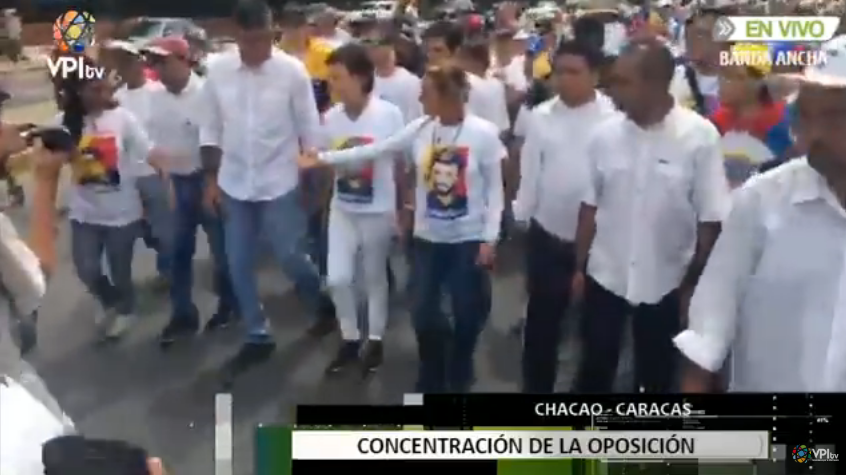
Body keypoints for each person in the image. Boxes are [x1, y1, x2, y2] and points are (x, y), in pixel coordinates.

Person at [297, 63, 505, 393]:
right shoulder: (421, 128)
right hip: (427, 239)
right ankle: (432, 371)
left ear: (447, 96)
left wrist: (490, 238)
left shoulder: (483, 134)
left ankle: (462, 361)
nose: (420, 97)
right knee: (423, 312)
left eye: (427, 92)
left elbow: (495, 190)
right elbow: (377, 148)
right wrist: (323, 158)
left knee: (467, 312)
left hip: (467, 238)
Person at [572, 39, 730, 393]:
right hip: (606, 276)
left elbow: (711, 218)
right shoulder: (604, 135)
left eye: (623, 82)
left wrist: (693, 288)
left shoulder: (699, 137)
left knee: (656, 376)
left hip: (667, 283)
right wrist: (579, 269)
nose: (612, 91)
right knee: (594, 369)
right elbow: (589, 206)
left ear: (657, 83)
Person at [675, 69, 846, 392]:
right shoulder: (762, 199)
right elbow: (712, 319)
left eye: (835, 117)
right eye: (806, 117)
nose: (815, 133)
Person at [199, 0, 335, 379]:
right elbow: (210, 129)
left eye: (265, 38)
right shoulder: (217, 71)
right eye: (250, 39)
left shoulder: (291, 72)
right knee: (236, 261)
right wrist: (211, 181)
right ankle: (258, 334)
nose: (259, 47)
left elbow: (309, 127)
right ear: (235, 33)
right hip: (234, 182)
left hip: (281, 180)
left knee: (291, 255)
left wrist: (316, 178)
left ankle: (320, 301)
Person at [514, 40, 616, 393]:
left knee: (598, 336)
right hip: (548, 236)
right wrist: (522, 217)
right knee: (542, 329)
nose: (564, 80)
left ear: (595, 75)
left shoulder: (614, 119)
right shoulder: (541, 116)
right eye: (559, 72)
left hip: (600, 244)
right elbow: (530, 172)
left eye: (574, 72)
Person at [52, 57, 167, 342]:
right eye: (95, 89)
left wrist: (165, 173)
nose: (105, 94)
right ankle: (110, 300)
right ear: (79, 92)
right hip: (84, 213)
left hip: (122, 213)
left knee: (120, 271)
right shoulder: (61, 124)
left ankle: (126, 309)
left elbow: (146, 149)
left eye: (105, 88)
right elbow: (45, 161)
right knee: (87, 268)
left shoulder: (122, 118)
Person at [142, 36, 238, 347]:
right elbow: (152, 145)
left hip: (209, 181)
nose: (157, 69)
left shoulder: (207, 95)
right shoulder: (154, 98)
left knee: (222, 253)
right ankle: (183, 315)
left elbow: (221, 143)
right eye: (154, 63)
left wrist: (214, 185)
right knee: (177, 254)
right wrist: (163, 177)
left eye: (163, 62)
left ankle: (230, 305)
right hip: (176, 185)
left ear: (184, 60)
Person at [319, 44, 404, 375]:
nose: (332, 85)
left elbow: (400, 165)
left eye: (338, 77)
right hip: (343, 207)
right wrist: (325, 205)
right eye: (330, 78)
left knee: (373, 277)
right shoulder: (331, 118)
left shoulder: (388, 115)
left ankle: (376, 338)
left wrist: (402, 209)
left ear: (361, 77)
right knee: (338, 278)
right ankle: (349, 337)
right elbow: (328, 164)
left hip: (377, 210)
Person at [107, 39, 173, 288]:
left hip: (155, 174)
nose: (126, 67)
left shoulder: (158, 92)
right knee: (135, 230)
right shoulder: (116, 99)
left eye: (130, 61)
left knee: (164, 230)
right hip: (127, 178)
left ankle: (168, 272)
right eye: (120, 62)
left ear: (139, 63)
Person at [711, 51, 794, 188]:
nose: (721, 83)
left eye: (730, 76)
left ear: (757, 82)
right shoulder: (714, 123)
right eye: (721, 75)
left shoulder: (784, 123)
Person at [365, 25, 423, 124]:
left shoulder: (410, 82)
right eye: (366, 42)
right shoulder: (364, 80)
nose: (369, 48)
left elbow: (417, 121)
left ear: (390, 46)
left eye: (374, 43)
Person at [670, 8, 723, 115]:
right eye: (689, 34)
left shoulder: (741, 79)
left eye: (701, 34)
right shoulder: (674, 77)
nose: (692, 40)